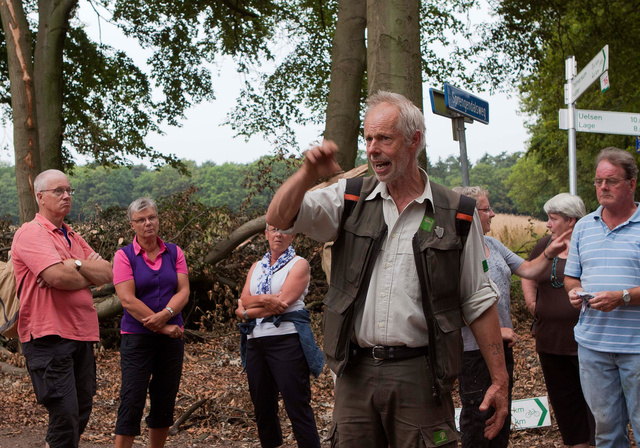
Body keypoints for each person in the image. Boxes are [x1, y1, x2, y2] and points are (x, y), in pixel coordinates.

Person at [266, 91, 509, 448]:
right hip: (354, 372)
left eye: (384, 138)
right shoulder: (348, 199)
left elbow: (478, 298)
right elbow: (278, 217)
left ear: (414, 141)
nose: (373, 149)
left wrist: (499, 379)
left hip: (422, 373)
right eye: (368, 139)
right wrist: (307, 174)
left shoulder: (456, 213)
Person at [452, 186, 570, 448]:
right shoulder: (453, 251)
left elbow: (527, 269)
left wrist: (551, 251)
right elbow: (446, 307)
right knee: (478, 420)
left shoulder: (491, 244)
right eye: (486, 209)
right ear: (469, 214)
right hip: (472, 354)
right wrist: (496, 329)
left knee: (501, 417)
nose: (492, 214)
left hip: (501, 352)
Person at [11, 169, 113, 448]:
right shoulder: (31, 233)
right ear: (40, 197)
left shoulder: (71, 235)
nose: (67, 196)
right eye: (59, 191)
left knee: (81, 410)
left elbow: (108, 272)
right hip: (48, 337)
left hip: (81, 333)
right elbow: (57, 277)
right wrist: (79, 273)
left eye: (69, 190)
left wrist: (74, 264)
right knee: (65, 413)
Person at [565, 147, 640, 448]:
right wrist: (573, 291)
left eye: (611, 181)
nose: (603, 187)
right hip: (593, 346)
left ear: (632, 183)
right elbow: (572, 276)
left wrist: (622, 297)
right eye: (598, 181)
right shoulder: (583, 227)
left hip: (637, 347)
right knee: (606, 433)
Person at [236, 224, 323, 448]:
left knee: (297, 406)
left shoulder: (299, 264)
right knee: (263, 408)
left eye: (284, 230)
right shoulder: (256, 267)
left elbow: (282, 304)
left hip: (287, 340)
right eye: (273, 229)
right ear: (265, 234)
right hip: (256, 342)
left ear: (293, 235)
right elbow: (245, 298)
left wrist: (246, 312)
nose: (278, 234)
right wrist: (265, 300)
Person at [112, 197, 190, 448]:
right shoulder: (124, 256)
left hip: (171, 339)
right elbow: (127, 299)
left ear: (158, 219)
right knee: (132, 399)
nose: (148, 223)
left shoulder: (175, 252)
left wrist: (166, 315)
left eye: (152, 217)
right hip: (137, 339)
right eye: (141, 220)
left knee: (164, 399)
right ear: (132, 225)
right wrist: (161, 325)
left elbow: (183, 291)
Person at [521, 193, 595, 448]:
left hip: (587, 341)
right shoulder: (545, 245)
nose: (548, 224)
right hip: (550, 340)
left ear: (571, 220)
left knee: (595, 400)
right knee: (564, 400)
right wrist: (533, 303)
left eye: (553, 219)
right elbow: (528, 273)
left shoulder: (591, 244)